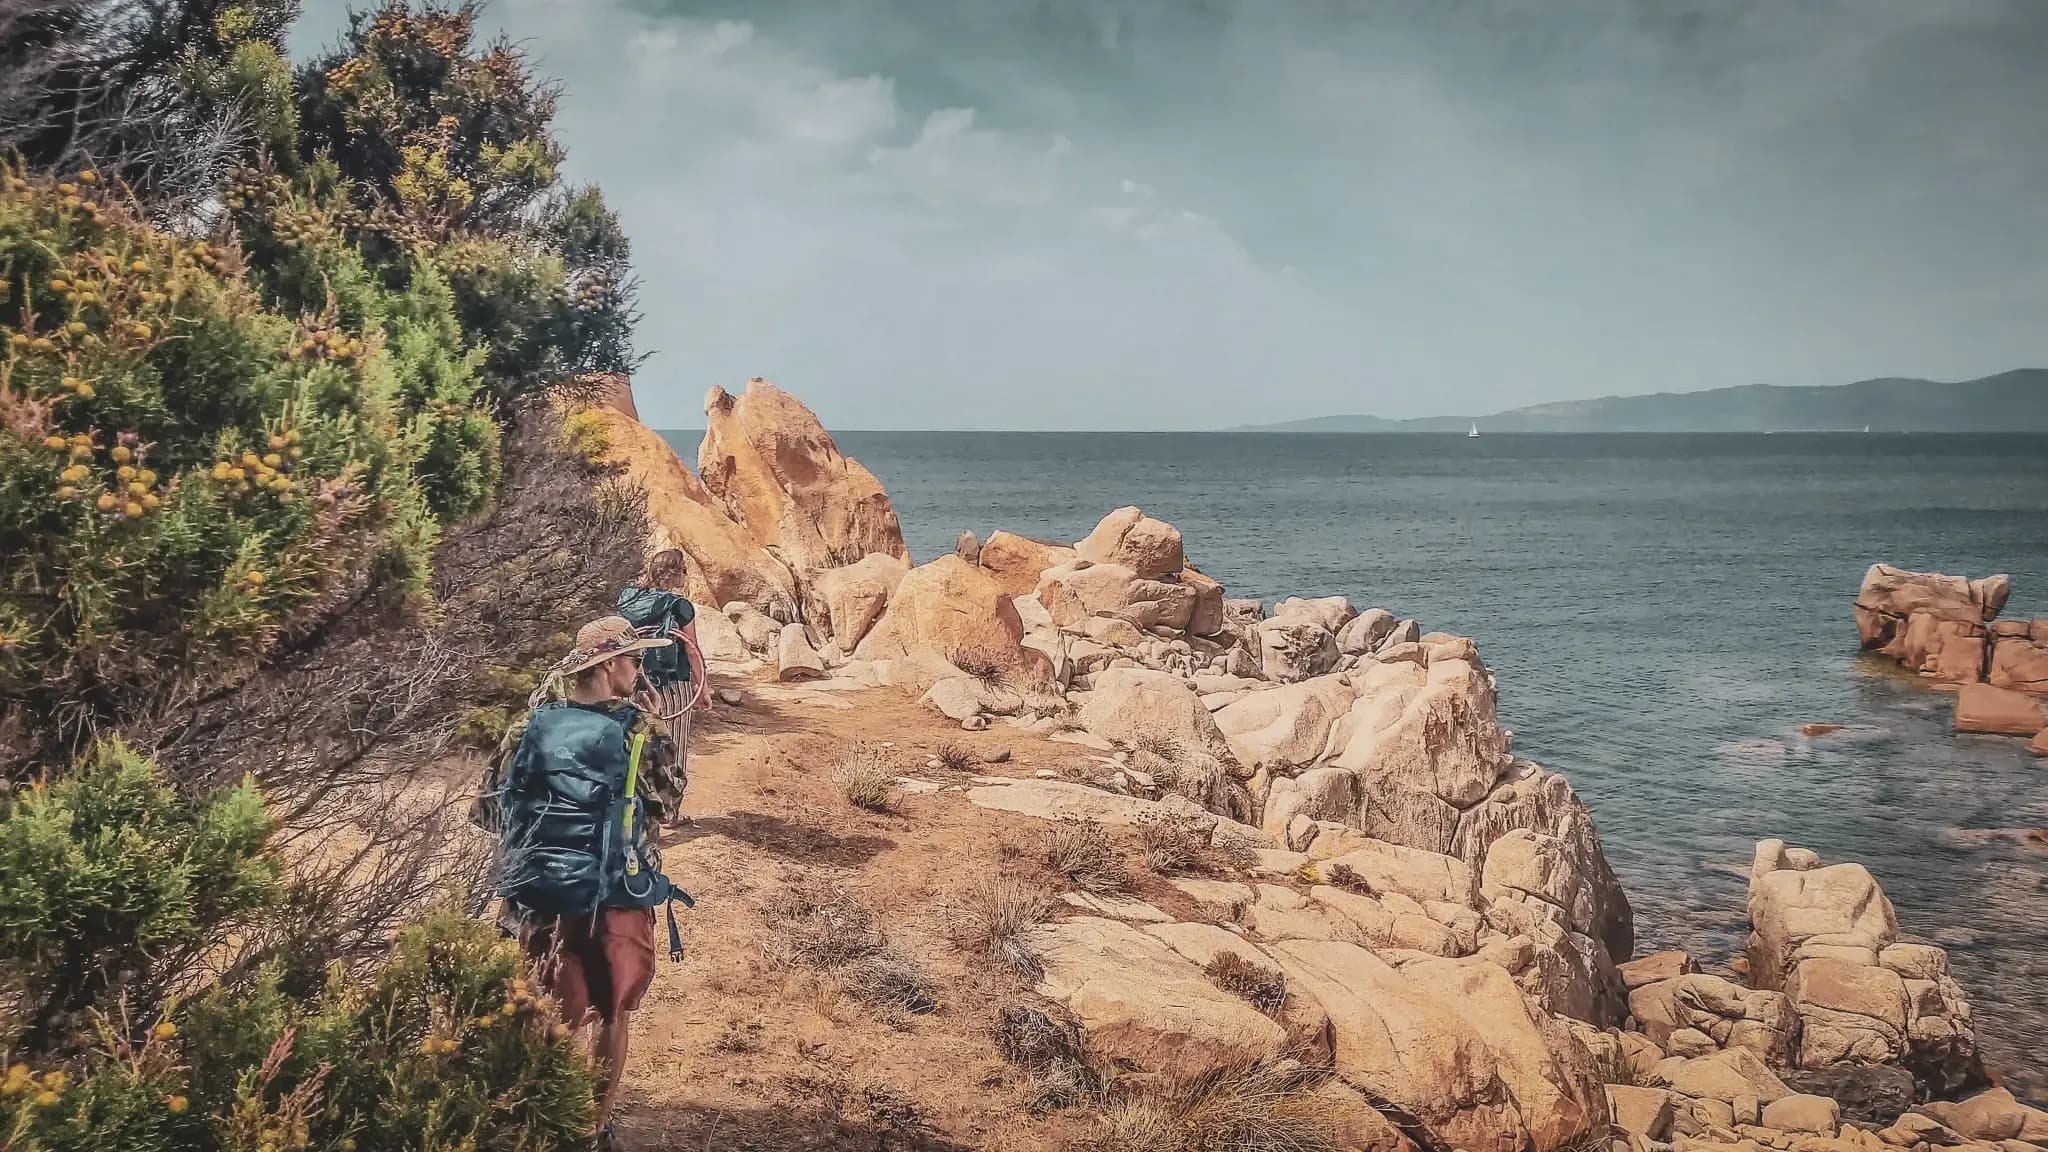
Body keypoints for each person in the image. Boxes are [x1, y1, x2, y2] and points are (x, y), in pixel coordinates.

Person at [483, 616, 693, 1146]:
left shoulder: (527, 726)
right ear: (609, 665)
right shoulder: (643, 729)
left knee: (539, 1008)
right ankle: (591, 1129)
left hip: (535, 893)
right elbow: (669, 802)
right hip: (615, 893)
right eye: (635, 660)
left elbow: (489, 812)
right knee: (612, 1012)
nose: (640, 670)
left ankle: (532, 1120)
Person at [616, 549, 708, 803]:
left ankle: (636, 804)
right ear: (673, 573)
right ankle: (669, 808)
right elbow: (691, 649)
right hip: (672, 685)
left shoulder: (629, 599)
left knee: (637, 742)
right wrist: (702, 688)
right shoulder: (679, 605)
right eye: (684, 571)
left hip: (633, 683)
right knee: (673, 744)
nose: (685, 576)